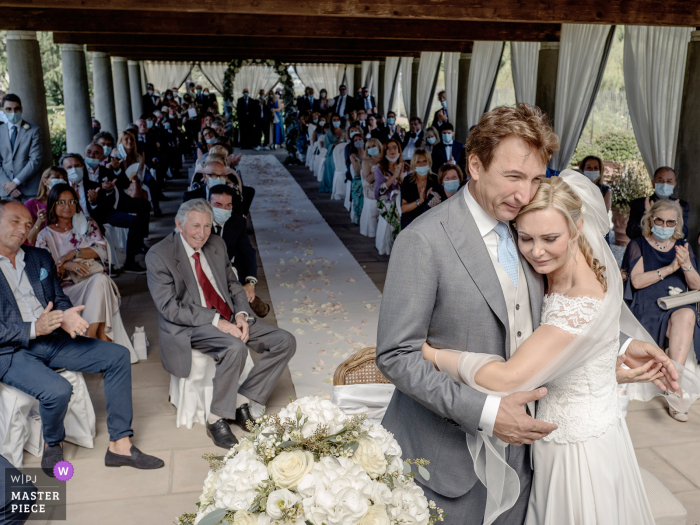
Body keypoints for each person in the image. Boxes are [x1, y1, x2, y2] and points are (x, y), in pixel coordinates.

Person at [375, 104, 676, 524]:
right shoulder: (423, 241)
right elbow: (396, 354)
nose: (524, 194)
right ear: (475, 165)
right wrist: (484, 411)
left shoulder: (532, 231)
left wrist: (617, 344)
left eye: (536, 178)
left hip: (532, 456)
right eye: (513, 177)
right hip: (449, 461)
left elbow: (558, 315)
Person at [0, 200, 164, 475]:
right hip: (11, 350)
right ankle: (53, 442)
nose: (23, 228)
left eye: (28, 223)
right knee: (58, 390)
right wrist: (33, 329)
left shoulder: (38, 257)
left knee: (118, 356)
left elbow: (58, 298)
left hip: (51, 339)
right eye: (15, 221)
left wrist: (67, 316)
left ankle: (120, 445)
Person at [146, 199, 296, 448]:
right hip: (191, 324)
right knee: (234, 347)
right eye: (195, 226)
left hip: (228, 315)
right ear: (179, 225)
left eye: (207, 226)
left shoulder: (215, 243)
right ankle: (216, 419)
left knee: (285, 341)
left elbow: (232, 284)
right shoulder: (159, 255)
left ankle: (240, 402)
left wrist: (241, 315)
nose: (202, 233)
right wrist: (216, 321)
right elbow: (169, 307)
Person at [622, 199, 700, 422]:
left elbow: (696, 285)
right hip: (648, 304)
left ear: (677, 224)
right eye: (659, 220)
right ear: (650, 220)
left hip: (677, 303)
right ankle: (675, 386)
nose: (664, 226)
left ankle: (674, 386)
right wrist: (669, 269)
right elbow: (636, 282)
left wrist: (685, 265)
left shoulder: (683, 246)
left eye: (670, 222)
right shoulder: (638, 244)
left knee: (687, 314)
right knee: (682, 317)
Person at [36, 184, 123, 342]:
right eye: (61, 202)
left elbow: (102, 250)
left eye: (72, 202)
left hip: (90, 281)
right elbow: (42, 271)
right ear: (53, 204)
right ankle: (102, 338)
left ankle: (90, 337)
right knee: (101, 284)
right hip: (64, 292)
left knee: (100, 280)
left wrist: (72, 254)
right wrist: (65, 265)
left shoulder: (88, 224)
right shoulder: (45, 236)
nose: (67, 206)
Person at [61, 152, 147, 274]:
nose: (74, 169)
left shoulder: (94, 186)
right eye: (69, 167)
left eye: (77, 165)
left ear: (83, 167)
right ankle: (103, 263)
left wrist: (94, 202)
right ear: (64, 171)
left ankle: (130, 261)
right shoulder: (61, 190)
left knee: (134, 220)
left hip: (98, 217)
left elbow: (105, 208)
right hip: (73, 222)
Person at [208, 185, 269, 318]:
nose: (224, 209)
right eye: (218, 205)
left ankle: (243, 305)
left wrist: (251, 282)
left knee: (236, 277)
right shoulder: (201, 223)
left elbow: (247, 251)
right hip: (205, 268)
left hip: (229, 268)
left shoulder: (237, 221)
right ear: (208, 204)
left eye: (228, 205)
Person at [627, 167, 689, 240]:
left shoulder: (682, 205)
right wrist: (647, 216)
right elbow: (631, 233)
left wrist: (677, 216)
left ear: (674, 184)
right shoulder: (639, 203)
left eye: (669, 181)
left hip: (671, 249)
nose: (665, 184)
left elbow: (684, 234)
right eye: (660, 180)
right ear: (653, 183)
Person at [0, 94, 43, 199]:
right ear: (3, 110)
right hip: (6, 190)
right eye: (9, 109)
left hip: (29, 189)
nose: (13, 112)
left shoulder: (33, 130)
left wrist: (15, 182)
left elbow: (35, 160)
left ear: (21, 109)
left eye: (16, 109)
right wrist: (8, 184)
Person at [24, 167, 68, 245]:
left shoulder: (69, 203)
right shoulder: (31, 204)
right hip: (40, 251)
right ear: (45, 181)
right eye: (56, 177)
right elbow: (30, 239)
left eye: (64, 178)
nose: (61, 181)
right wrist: (39, 222)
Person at [400, 148, 442, 229]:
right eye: (418, 162)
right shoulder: (407, 180)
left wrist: (434, 196)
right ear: (414, 164)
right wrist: (419, 201)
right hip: (411, 221)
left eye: (424, 161)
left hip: (430, 220)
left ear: (429, 162)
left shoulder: (436, 179)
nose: (422, 164)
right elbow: (403, 209)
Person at [319, 116, 344, 194]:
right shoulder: (328, 133)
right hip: (331, 153)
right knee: (331, 164)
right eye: (334, 120)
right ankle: (331, 185)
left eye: (337, 119)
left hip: (342, 154)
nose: (336, 121)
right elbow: (326, 145)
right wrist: (335, 144)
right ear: (331, 122)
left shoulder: (344, 132)